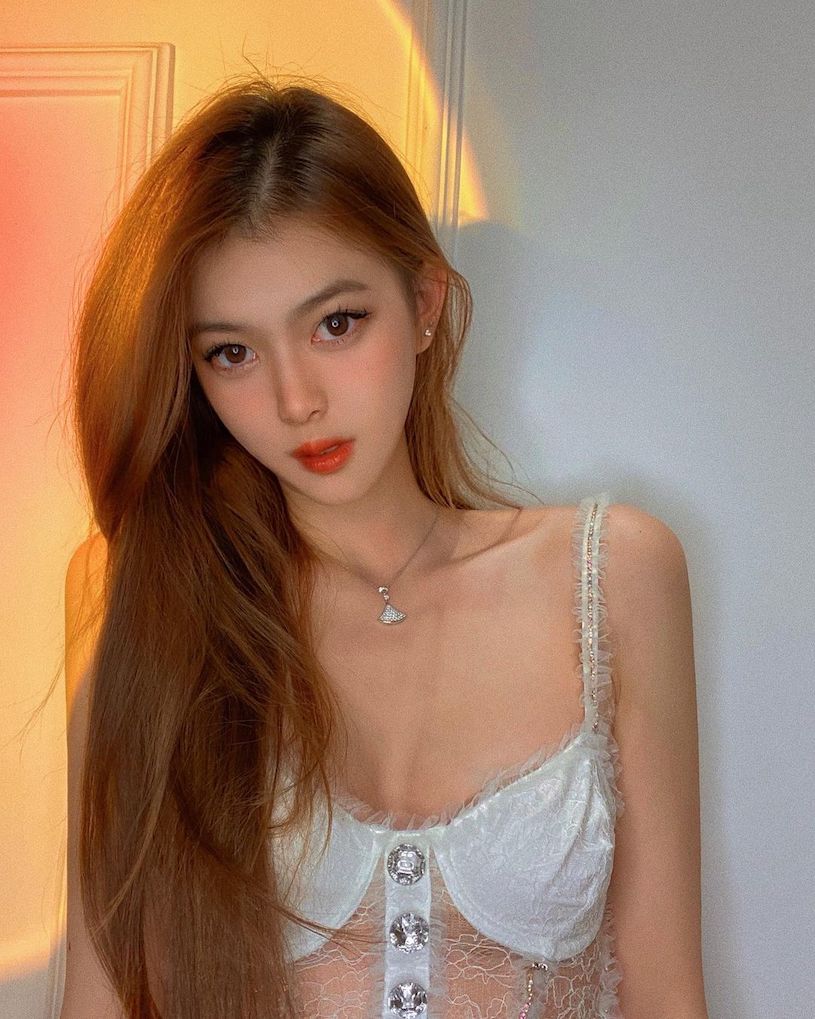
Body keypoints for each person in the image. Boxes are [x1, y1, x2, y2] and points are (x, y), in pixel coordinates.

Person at [60, 75, 708, 1019]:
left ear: (425, 301)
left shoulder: (613, 576)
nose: (296, 400)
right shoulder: (147, 595)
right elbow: (101, 995)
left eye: (336, 323)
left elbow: (667, 996)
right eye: (232, 352)